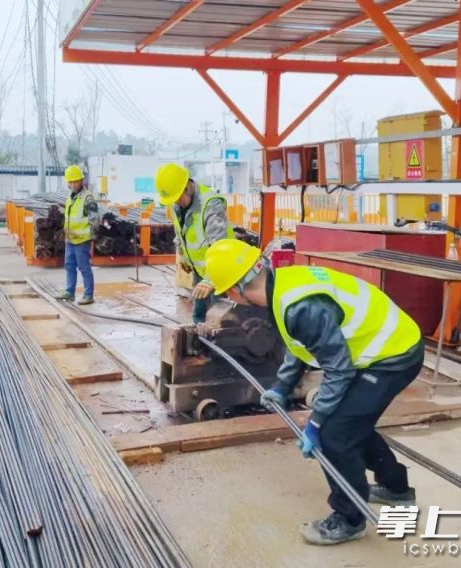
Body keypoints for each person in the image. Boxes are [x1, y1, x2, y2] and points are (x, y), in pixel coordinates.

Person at [204, 238, 425, 546]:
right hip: (381, 346)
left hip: (394, 355)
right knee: (350, 424)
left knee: (335, 435)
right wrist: (281, 388)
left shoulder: (299, 307)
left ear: (233, 291)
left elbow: (339, 369)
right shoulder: (282, 287)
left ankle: (349, 519)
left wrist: (316, 424)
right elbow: (301, 346)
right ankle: (396, 488)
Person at [154, 162, 233, 325]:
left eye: (177, 198)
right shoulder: (177, 206)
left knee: (218, 317)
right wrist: (183, 257)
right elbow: (180, 233)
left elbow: (219, 246)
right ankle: (198, 337)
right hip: (200, 270)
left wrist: (210, 279)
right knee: (199, 314)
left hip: (220, 270)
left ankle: (218, 340)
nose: (176, 202)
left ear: (187, 188)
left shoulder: (210, 204)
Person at [56, 165, 99, 305]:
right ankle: (69, 292)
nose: (73, 184)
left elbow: (95, 219)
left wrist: (93, 238)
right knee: (69, 265)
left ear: (81, 181)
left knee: (84, 267)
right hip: (70, 239)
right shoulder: (70, 197)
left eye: (75, 181)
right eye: (70, 182)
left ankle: (88, 295)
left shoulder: (88, 198)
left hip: (82, 240)